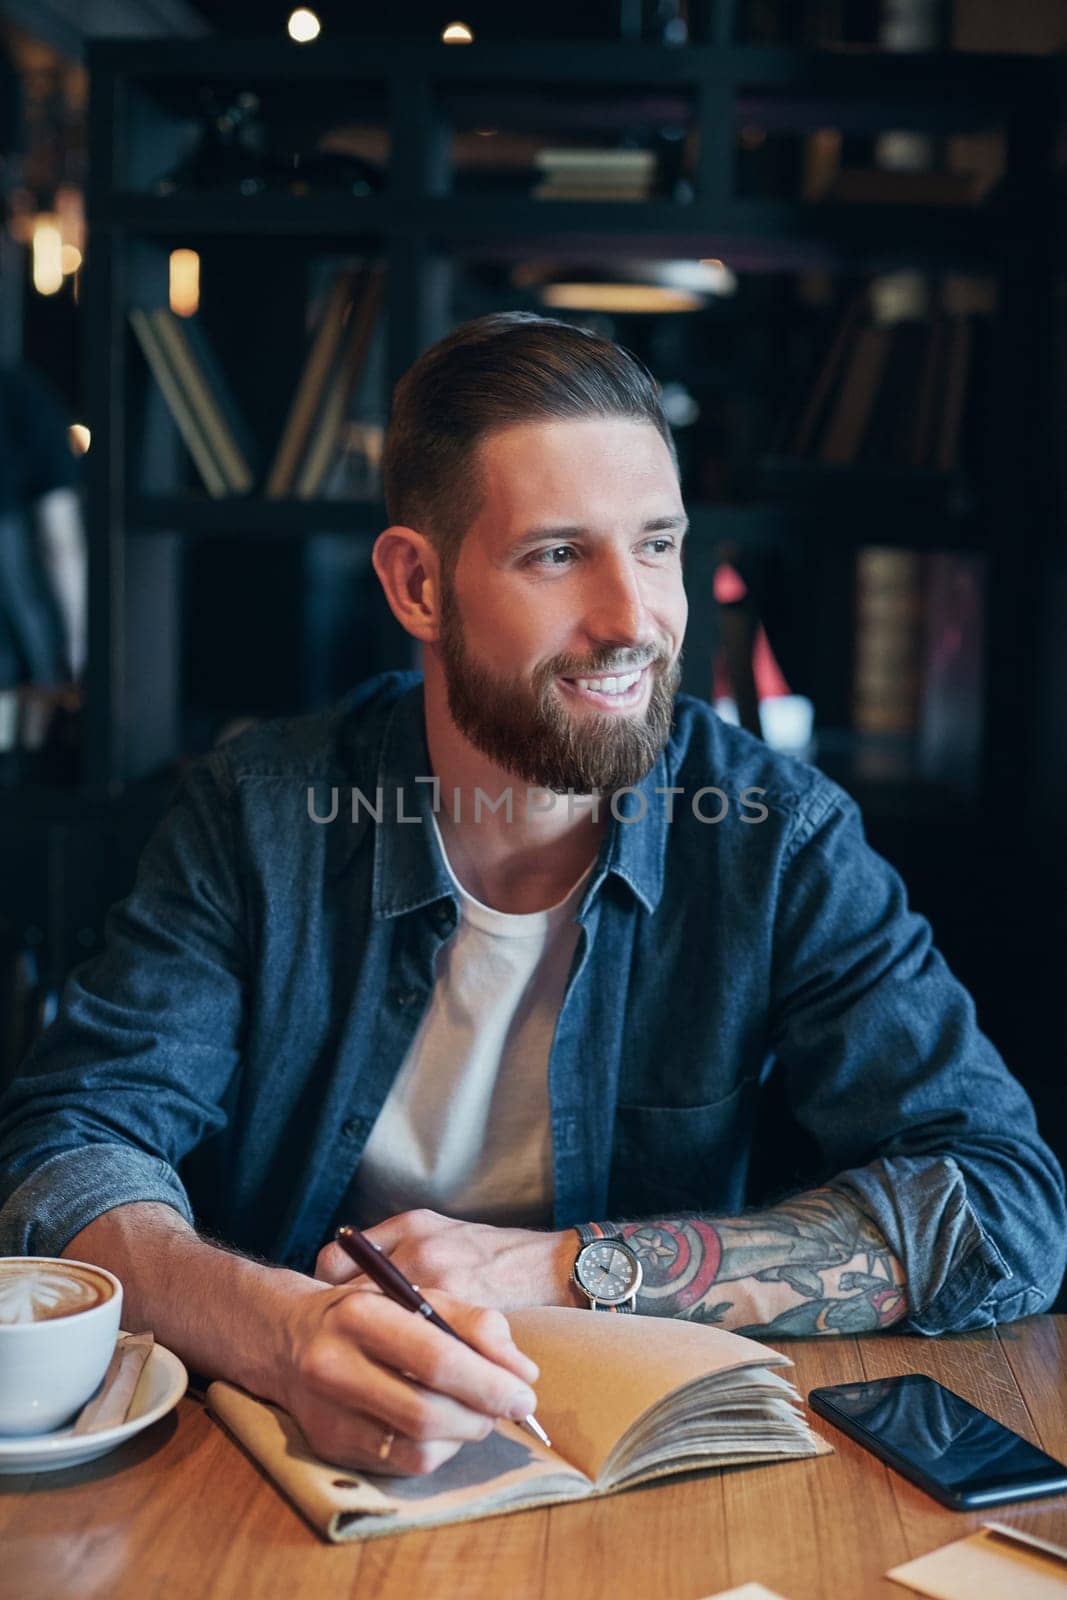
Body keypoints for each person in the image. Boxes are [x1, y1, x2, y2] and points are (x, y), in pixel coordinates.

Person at [0, 314, 1063, 1478]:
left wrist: (563, 1269)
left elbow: (1004, 1207)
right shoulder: (260, 815)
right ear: (415, 581)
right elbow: (70, 1148)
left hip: (652, 1466)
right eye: (557, 554)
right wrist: (283, 1331)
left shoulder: (774, 837)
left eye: (655, 546)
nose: (633, 620)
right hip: (296, 1458)